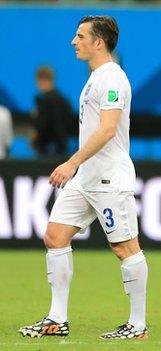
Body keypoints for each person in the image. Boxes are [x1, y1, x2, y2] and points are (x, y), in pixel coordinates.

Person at [19, 15, 148, 340]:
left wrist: (71, 162)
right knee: (55, 236)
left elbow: (107, 130)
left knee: (125, 248)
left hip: (107, 177)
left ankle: (138, 325)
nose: (73, 42)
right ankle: (57, 319)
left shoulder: (113, 79)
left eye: (80, 36)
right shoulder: (96, 77)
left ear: (98, 42)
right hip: (87, 178)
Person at [32, 66, 71, 157]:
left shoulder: (42, 101)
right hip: (62, 149)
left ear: (41, 80)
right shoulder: (64, 100)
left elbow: (42, 125)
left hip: (45, 151)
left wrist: (35, 139)